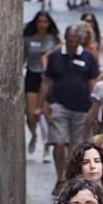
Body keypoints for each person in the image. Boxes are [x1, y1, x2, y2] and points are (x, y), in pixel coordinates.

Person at [40, 25, 100, 195]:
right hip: (59, 104)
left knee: (75, 146)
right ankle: (60, 178)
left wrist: (95, 108)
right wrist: (41, 105)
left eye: (76, 41)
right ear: (65, 39)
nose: (73, 44)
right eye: (70, 41)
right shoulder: (55, 56)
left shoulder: (88, 57)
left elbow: (92, 82)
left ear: (81, 40)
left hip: (82, 107)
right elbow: (47, 81)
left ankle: (70, 179)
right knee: (59, 142)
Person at [24, 11, 60, 160]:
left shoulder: (54, 40)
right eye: (40, 22)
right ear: (35, 23)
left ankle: (46, 148)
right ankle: (34, 135)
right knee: (31, 115)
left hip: (48, 78)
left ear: (49, 23)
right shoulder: (28, 39)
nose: (42, 25)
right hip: (32, 75)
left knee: (45, 114)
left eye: (45, 22)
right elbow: (22, 57)